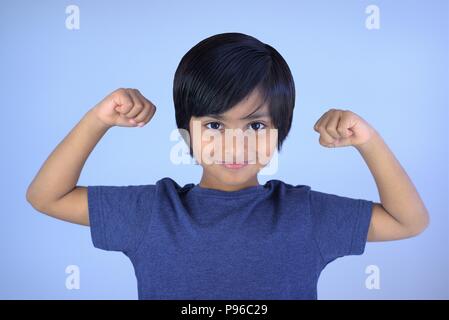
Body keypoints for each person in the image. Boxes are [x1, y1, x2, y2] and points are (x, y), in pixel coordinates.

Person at [26, 32, 429, 299]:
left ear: (279, 132)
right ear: (186, 132)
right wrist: (98, 118)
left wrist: (367, 141)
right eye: (215, 124)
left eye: (256, 124)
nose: (234, 142)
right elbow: (46, 196)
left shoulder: (305, 214)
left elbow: (408, 221)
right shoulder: (153, 212)